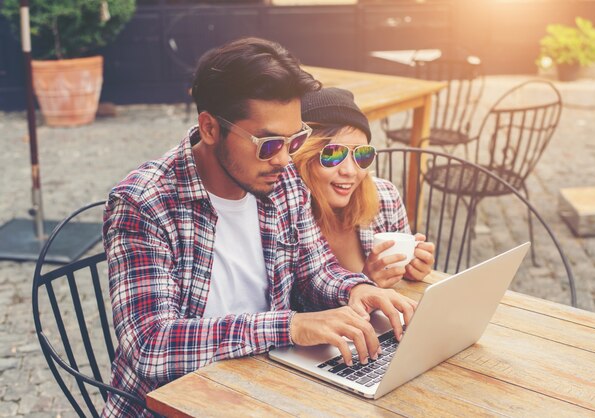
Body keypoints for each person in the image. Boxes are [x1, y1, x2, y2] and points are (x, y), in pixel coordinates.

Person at [102, 38, 417, 417]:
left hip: (265, 389)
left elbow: (315, 272)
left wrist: (357, 288)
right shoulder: (144, 204)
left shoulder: (279, 182)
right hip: (171, 404)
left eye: (295, 140)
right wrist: (290, 327)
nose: (285, 159)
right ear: (209, 128)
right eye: (268, 144)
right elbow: (150, 346)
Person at [292, 87, 436, 288]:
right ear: (302, 158)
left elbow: (400, 280)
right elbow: (295, 304)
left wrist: (412, 267)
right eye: (333, 154)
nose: (350, 171)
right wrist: (363, 284)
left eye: (362, 154)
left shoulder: (385, 196)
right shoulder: (286, 219)